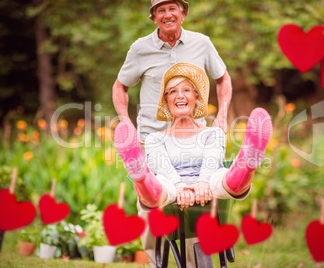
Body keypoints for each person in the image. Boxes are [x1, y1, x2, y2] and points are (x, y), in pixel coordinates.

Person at [112, 0, 232, 266]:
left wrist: (222, 114)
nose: (167, 14)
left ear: (183, 13)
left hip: (194, 139)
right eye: (161, 10)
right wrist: (126, 122)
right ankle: (160, 262)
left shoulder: (201, 43)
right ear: (153, 17)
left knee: (196, 204)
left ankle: (194, 260)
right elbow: (120, 86)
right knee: (152, 204)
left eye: (172, 8)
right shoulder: (140, 49)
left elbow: (223, 77)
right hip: (152, 141)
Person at [113, 63, 272, 259]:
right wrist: (180, 187)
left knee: (222, 175)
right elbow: (161, 166)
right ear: (166, 100)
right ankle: (140, 175)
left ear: (196, 98)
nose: (179, 95)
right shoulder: (156, 138)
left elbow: (212, 160)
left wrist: (203, 182)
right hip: (172, 189)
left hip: (209, 186)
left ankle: (248, 161)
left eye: (186, 90)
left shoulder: (213, 134)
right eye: (172, 91)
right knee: (160, 183)